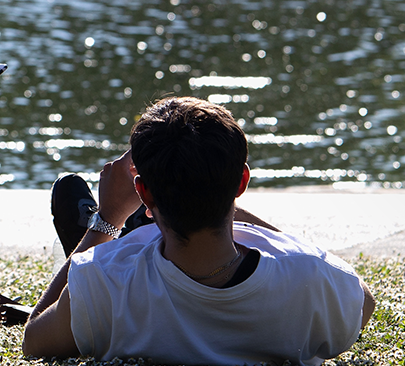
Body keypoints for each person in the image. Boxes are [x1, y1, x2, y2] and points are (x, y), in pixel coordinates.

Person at [23, 97, 375, 365]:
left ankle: (127, 225)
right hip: (207, 217)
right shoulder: (311, 279)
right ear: (242, 182)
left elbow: (34, 339)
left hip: (122, 253)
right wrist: (225, 201)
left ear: (142, 191)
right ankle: (145, 223)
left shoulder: (104, 281)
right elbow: (364, 302)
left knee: (121, 234)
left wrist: (109, 218)